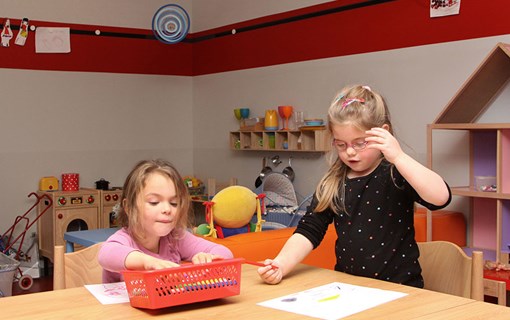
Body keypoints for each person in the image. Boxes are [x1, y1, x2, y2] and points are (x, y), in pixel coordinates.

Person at [257, 85, 451, 288]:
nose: (350, 152)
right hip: (350, 289)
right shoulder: (334, 182)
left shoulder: (396, 172)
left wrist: (399, 157)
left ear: (383, 134)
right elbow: (309, 230)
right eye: (341, 145)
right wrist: (280, 263)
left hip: (400, 290)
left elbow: (440, 198)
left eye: (360, 143)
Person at [98, 159, 233, 283]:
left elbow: (225, 253)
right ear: (129, 207)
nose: (167, 209)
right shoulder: (124, 240)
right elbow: (106, 254)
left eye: (174, 203)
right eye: (154, 202)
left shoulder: (175, 237)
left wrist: (208, 258)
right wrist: (148, 262)